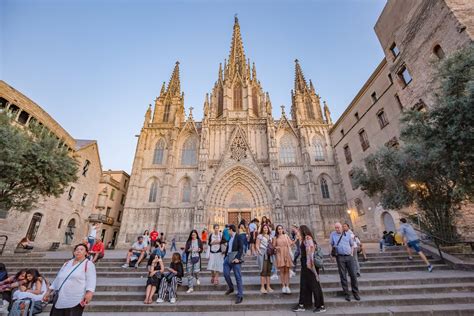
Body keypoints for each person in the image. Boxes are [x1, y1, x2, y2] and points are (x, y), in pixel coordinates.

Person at [43, 243, 96, 316]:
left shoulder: (88, 264)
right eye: (76, 250)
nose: (78, 251)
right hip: (61, 297)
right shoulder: (66, 263)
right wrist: (48, 292)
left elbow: (91, 280)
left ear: (86, 253)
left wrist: (89, 293)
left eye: (81, 249)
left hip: (75, 298)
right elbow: (58, 278)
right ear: (74, 252)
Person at [293, 225, 326, 313]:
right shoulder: (303, 240)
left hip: (310, 265)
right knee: (304, 284)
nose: (297, 232)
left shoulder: (308, 238)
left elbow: (310, 253)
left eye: (298, 231)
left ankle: (321, 305)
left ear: (302, 231)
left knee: (315, 285)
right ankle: (303, 304)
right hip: (305, 265)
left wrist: (310, 266)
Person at [330, 222, 360, 302]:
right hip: (339, 257)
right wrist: (332, 255)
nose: (337, 229)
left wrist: (351, 253)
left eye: (338, 227)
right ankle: (347, 294)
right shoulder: (333, 235)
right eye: (336, 228)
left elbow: (352, 244)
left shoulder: (348, 234)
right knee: (343, 276)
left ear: (342, 228)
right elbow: (331, 245)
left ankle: (355, 292)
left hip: (349, 257)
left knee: (353, 275)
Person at [223, 224, 244, 304]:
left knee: (238, 277)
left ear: (231, 230)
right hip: (228, 258)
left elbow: (241, 248)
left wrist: (237, 258)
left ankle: (240, 295)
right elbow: (228, 248)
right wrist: (225, 257)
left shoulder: (238, 236)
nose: (227, 231)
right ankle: (231, 287)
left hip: (235, 259)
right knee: (225, 274)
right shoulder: (230, 238)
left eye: (228, 229)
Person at [273, 225, 294, 294]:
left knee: (287, 270)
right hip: (279, 254)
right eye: (278, 229)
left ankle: (287, 286)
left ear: (283, 229)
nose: (280, 230)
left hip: (286, 253)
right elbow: (273, 247)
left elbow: (291, 244)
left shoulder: (286, 236)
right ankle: (283, 286)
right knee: (282, 271)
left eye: (281, 229)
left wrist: (297, 238)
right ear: (277, 230)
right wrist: (276, 248)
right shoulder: (275, 237)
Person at [255, 224, 273, 294]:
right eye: (264, 228)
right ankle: (262, 287)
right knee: (263, 270)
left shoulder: (270, 236)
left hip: (269, 254)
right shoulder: (260, 236)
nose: (266, 229)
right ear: (262, 229)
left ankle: (268, 286)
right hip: (262, 253)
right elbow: (257, 245)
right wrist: (260, 252)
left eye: (267, 228)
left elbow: (272, 245)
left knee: (269, 270)